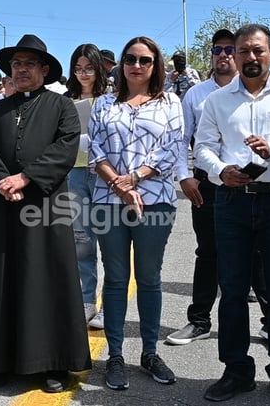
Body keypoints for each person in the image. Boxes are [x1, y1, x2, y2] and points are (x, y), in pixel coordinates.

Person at [194, 24, 270, 406]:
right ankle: (236, 371)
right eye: (242, 51)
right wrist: (219, 172)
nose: (249, 57)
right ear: (233, 54)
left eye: (257, 51)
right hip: (231, 202)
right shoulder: (217, 101)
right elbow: (202, 148)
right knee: (232, 290)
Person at [0, 34, 90, 394]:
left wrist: (26, 177)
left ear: (44, 69)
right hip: (3, 206)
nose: (21, 69)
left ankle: (53, 363)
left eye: (29, 63)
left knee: (47, 280)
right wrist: (3, 181)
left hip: (45, 206)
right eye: (16, 64)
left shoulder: (61, 106)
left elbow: (65, 148)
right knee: (0, 278)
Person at [89, 36, 183, 391]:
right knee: (114, 279)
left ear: (156, 65)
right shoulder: (103, 105)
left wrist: (135, 179)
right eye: (130, 58)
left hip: (155, 200)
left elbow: (173, 148)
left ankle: (149, 352)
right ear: (121, 64)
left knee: (149, 277)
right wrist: (119, 186)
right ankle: (115, 355)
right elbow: (95, 149)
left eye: (145, 60)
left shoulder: (171, 102)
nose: (137, 65)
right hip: (108, 200)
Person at [168, 28, 238, 345]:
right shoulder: (196, 94)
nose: (223, 54)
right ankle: (199, 321)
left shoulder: (252, 91)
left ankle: (269, 321)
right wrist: (185, 176)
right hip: (206, 185)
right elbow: (181, 140)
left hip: (246, 184)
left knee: (256, 255)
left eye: (229, 49)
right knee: (207, 253)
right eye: (217, 49)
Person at [64, 43, 108, 329]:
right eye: (78, 69)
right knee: (82, 239)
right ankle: (86, 299)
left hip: (104, 173)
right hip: (75, 172)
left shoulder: (111, 100)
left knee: (110, 240)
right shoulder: (65, 101)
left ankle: (109, 305)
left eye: (88, 68)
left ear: (98, 69)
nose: (83, 74)